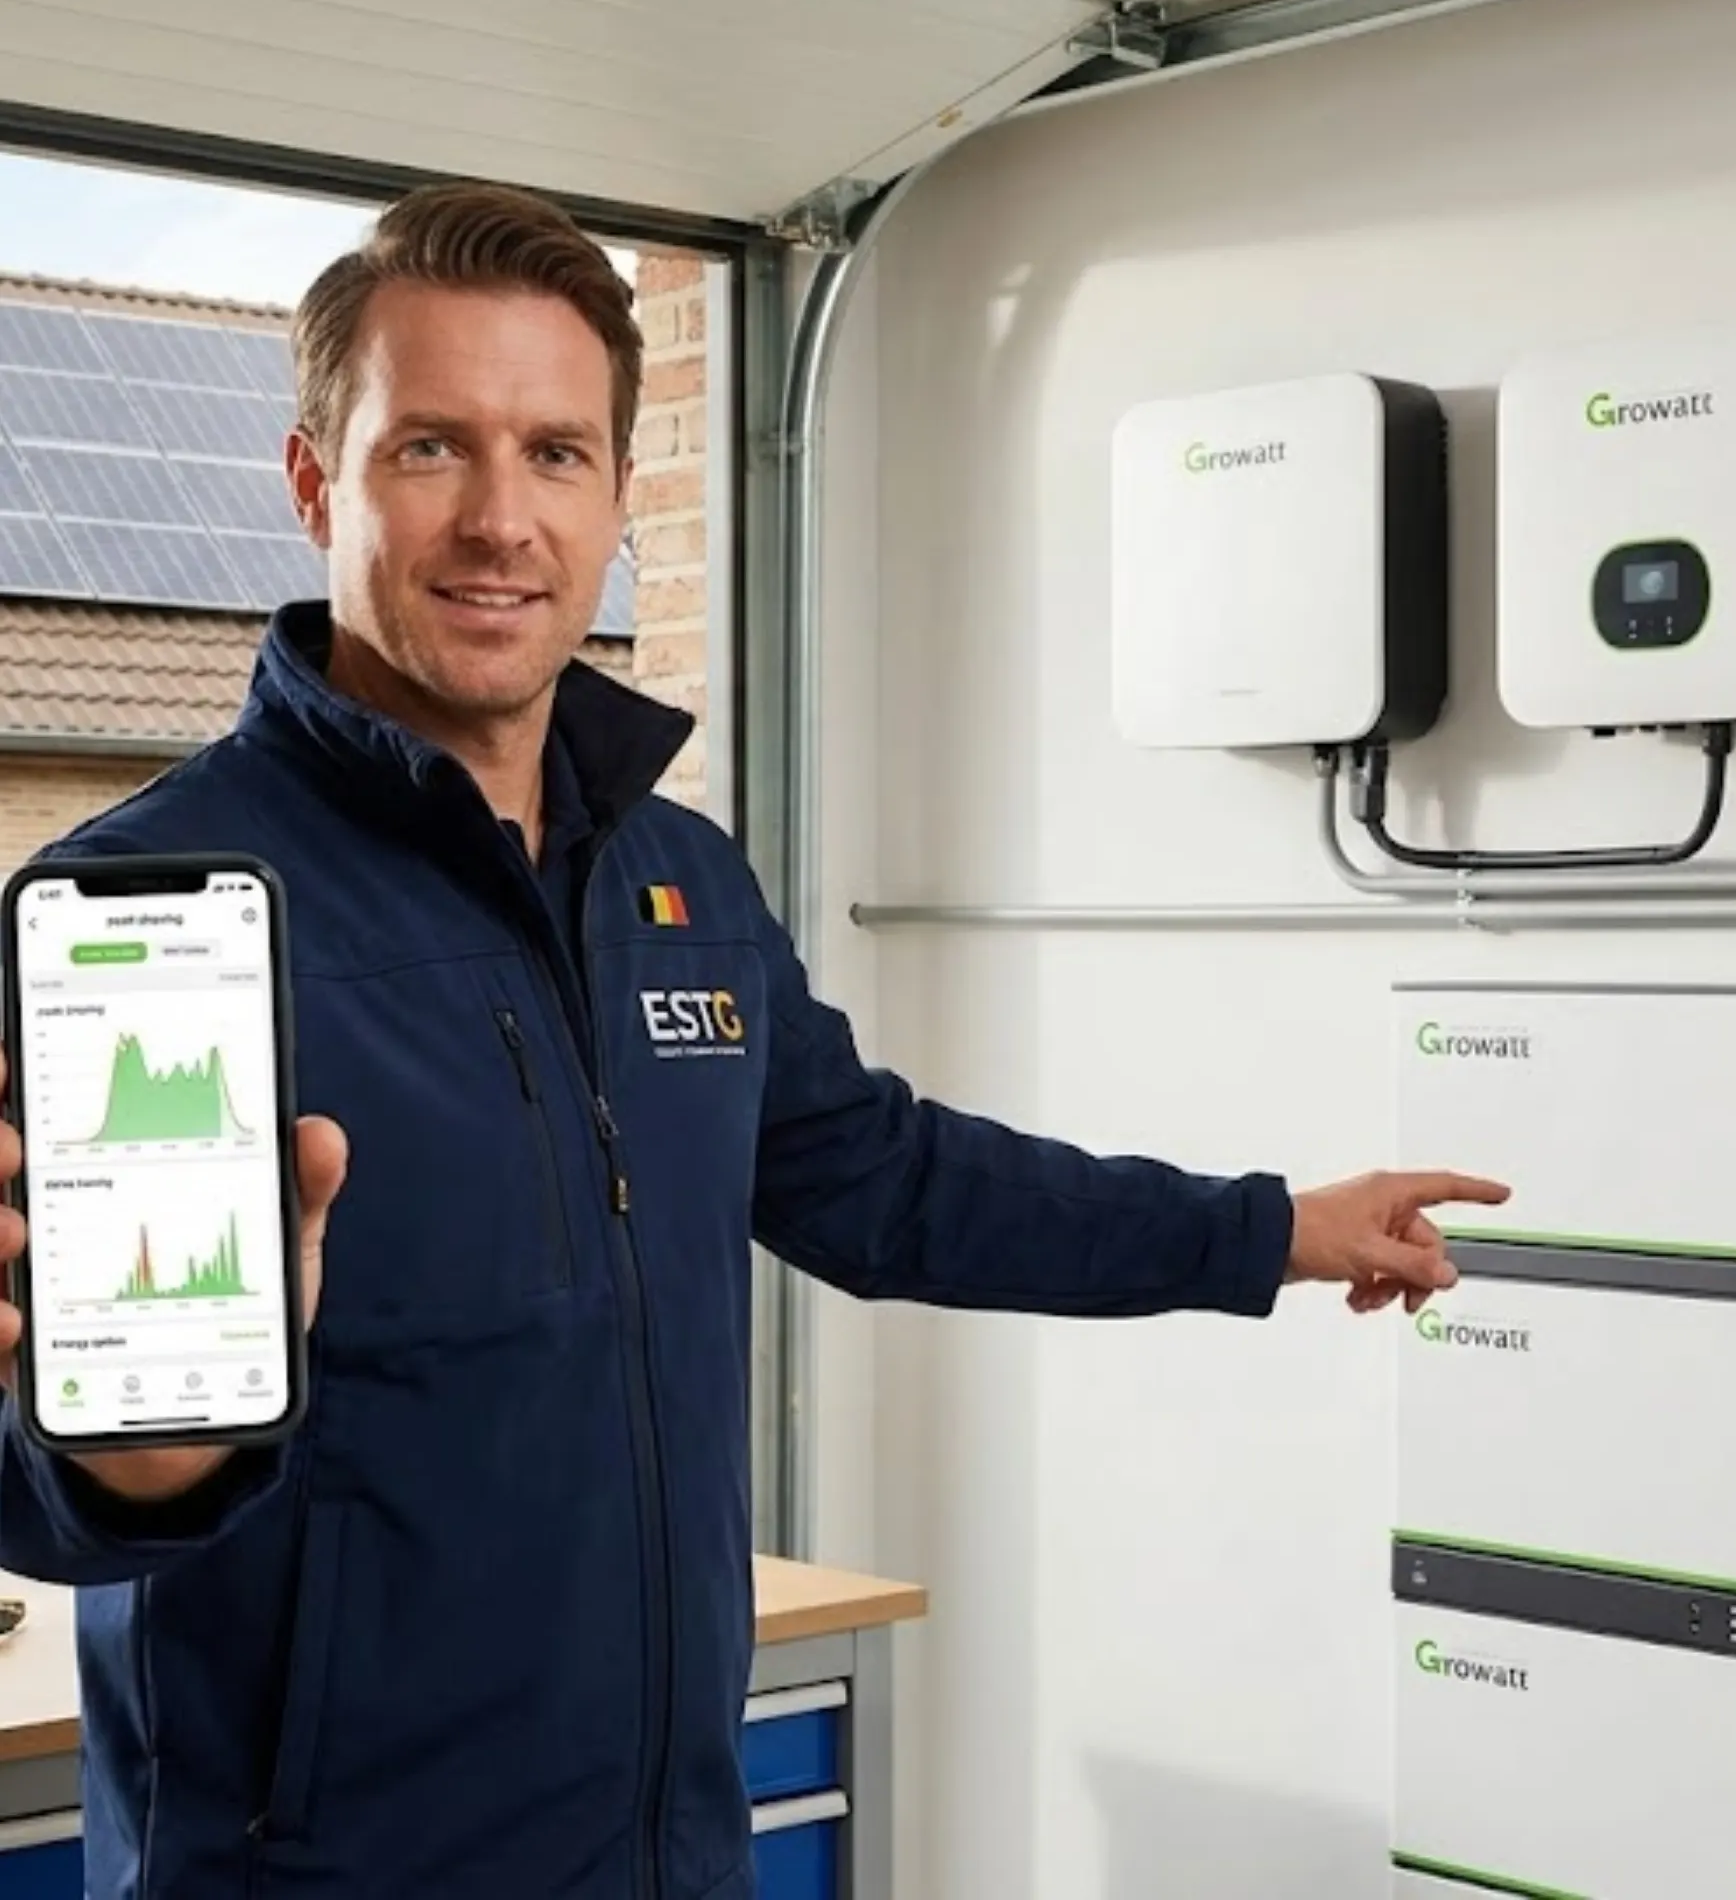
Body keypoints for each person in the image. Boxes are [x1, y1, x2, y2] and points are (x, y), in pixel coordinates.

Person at [0, 181, 1508, 1900]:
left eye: (556, 454)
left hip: (666, 1855)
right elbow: (33, 1487)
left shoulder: (678, 880)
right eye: (432, 449)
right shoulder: (140, 911)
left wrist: (1269, 1230)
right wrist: (136, 1466)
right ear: (311, 484)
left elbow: (886, 1181)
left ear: (618, 499)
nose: (503, 519)